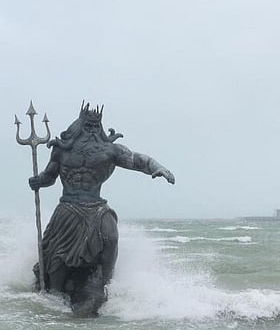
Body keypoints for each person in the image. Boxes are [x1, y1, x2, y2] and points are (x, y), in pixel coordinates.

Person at [29, 102, 174, 316]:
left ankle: (106, 286)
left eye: (95, 127)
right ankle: (53, 302)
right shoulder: (62, 150)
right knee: (57, 258)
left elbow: (136, 160)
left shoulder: (109, 150)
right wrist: (38, 181)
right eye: (87, 126)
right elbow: (50, 175)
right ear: (78, 125)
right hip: (68, 208)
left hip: (96, 208)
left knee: (111, 237)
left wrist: (158, 167)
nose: (91, 131)